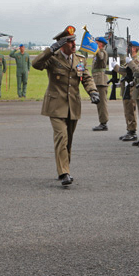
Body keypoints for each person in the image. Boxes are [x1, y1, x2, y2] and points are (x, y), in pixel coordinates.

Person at [32, 25, 100, 186]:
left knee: (68, 140)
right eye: (69, 42)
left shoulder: (79, 59)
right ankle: (64, 173)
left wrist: (93, 92)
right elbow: (36, 64)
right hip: (56, 105)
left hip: (73, 105)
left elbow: (87, 78)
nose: (74, 45)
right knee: (61, 137)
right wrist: (50, 50)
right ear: (62, 44)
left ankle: (64, 168)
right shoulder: (53, 58)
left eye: (74, 41)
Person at [91, 37, 109, 131]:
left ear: (100, 44)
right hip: (98, 80)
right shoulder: (97, 53)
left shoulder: (102, 52)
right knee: (99, 103)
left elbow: (100, 57)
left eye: (96, 43)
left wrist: (96, 49)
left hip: (101, 81)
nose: (94, 44)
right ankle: (102, 121)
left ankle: (103, 123)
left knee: (102, 103)